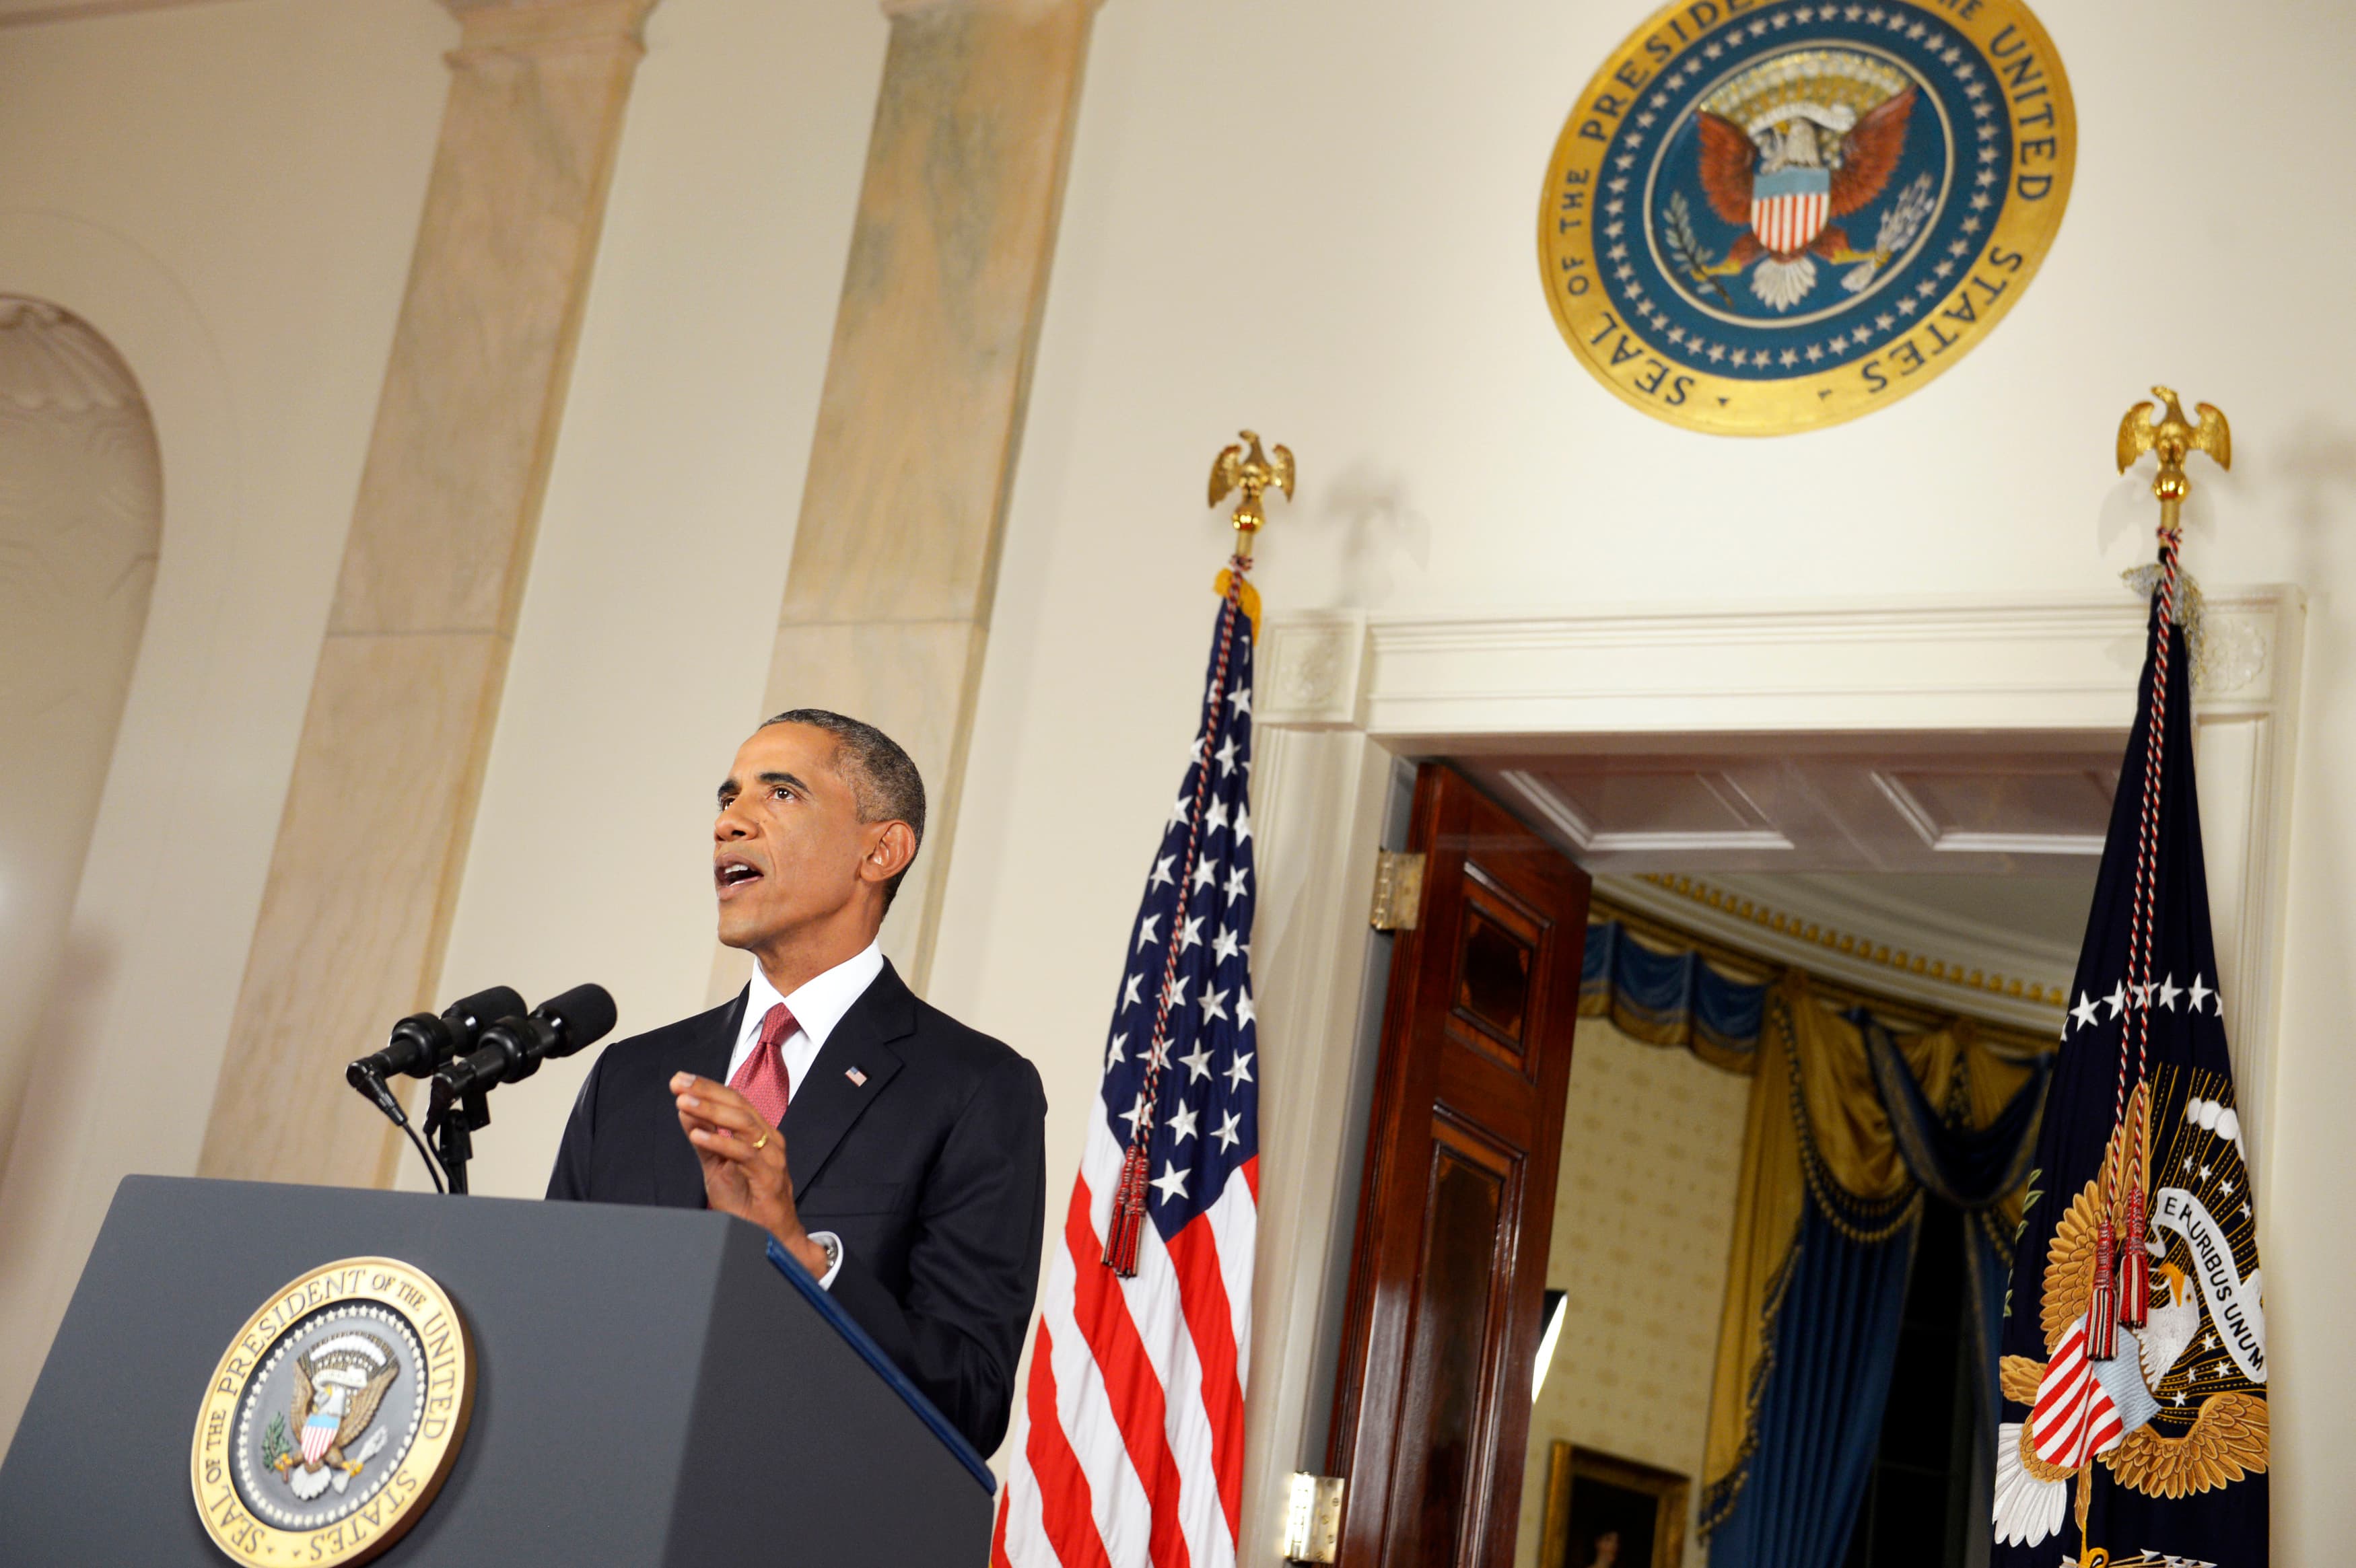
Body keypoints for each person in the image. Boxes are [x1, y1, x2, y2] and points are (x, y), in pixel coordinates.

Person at [546, 709, 1048, 1454]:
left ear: (881, 849)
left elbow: (971, 1399)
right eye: (727, 797)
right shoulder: (632, 1074)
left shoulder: (975, 1087)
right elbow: (554, 1322)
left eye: (779, 793)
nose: (730, 823)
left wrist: (802, 1254)